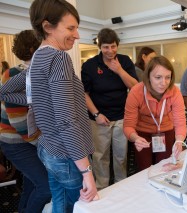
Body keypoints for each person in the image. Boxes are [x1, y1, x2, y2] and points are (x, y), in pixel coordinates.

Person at [0, 0, 98, 212]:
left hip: (48, 148)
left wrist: (36, 99)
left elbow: (5, 91)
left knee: (59, 203)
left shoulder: (36, 60)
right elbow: (66, 120)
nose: (77, 35)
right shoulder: (58, 58)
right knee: (80, 206)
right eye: (71, 28)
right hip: (66, 152)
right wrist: (86, 171)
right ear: (47, 27)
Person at [0, 29, 51, 213]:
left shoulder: (34, 73)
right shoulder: (14, 75)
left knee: (31, 185)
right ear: (33, 48)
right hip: (16, 142)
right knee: (45, 187)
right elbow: (20, 123)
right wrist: (44, 143)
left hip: (27, 139)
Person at [81, 28, 138, 190]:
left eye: (113, 46)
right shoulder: (90, 66)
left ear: (117, 45)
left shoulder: (125, 61)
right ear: (100, 46)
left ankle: (121, 185)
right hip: (99, 118)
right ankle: (102, 187)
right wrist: (96, 114)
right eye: (106, 47)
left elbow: (135, 87)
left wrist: (119, 70)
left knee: (121, 155)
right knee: (100, 156)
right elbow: (84, 94)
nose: (110, 51)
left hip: (121, 117)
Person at [123, 56, 187, 172]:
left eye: (168, 77)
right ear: (148, 77)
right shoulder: (136, 92)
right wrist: (135, 138)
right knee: (144, 169)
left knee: (165, 167)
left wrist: (179, 140)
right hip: (142, 134)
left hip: (166, 132)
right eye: (158, 77)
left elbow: (180, 122)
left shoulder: (175, 92)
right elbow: (128, 126)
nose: (164, 83)